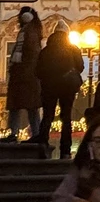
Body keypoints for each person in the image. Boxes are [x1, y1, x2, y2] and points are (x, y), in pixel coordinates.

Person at [36, 19, 84, 159]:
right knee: (66, 118)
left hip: (49, 87)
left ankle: (43, 145)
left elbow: (38, 70)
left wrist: (48, 78)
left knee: (47, 116)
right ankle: (65, 150)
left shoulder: (46, 50)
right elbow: (80, 67)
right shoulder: (73, 49)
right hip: (67, 87)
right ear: (67, 34)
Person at [4, 5, 42, 139]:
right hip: (25, 75)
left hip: (24, 75)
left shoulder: (29, 32)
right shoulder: (31, 30)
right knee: (29, 107)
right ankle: (34, 133)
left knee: (21, 106)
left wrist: (17, 68)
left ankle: (15, 133)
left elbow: (29, 53)